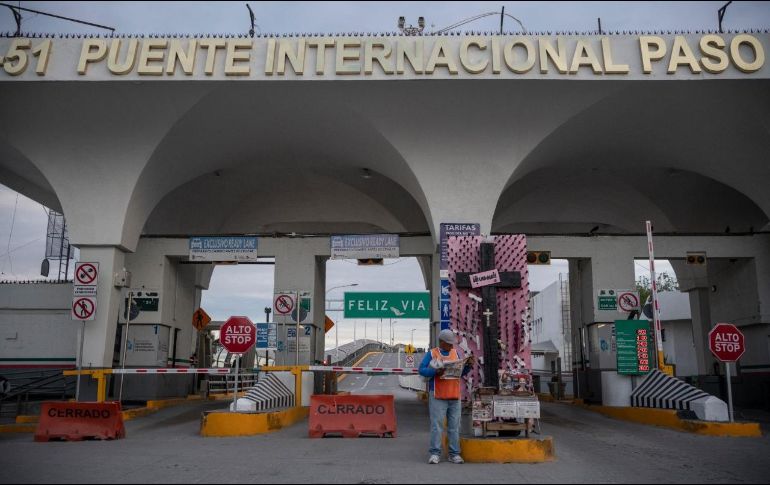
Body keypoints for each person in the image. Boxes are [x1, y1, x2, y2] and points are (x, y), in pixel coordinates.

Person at [418, 329, 475, 464]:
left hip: (454, 396)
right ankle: (435, 453)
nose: (451, 346)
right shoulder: (432, 353)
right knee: (437, 426)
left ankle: (454, 454)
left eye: (452, 343)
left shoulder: (456, 353)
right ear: (441, 342)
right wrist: (435, 371)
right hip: (438, 395)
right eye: (448, 344)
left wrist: (468, 367)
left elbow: (460, 373)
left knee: (454, 426)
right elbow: (421, 370)